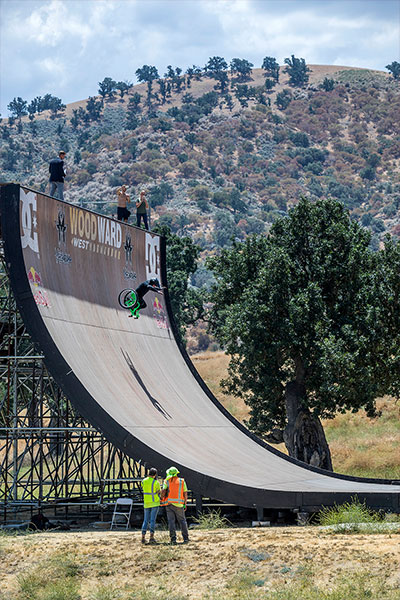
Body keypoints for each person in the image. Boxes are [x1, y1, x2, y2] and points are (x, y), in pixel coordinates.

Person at [160, 466, 189, 545]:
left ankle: (173, 539)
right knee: (182, 521)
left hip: (169, 504)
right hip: (179, 504)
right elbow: (185, 493)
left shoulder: (167, 481)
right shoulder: (182, 481)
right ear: (177, 473)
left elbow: (163, 491)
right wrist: (185, 504)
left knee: (171, 522)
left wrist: (161, 498)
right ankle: (186, 538)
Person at [141, 467, 161, 544]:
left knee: (145, 520)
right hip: (154, 503)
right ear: (155, 474)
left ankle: (143, 537)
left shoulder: (143, 481)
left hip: (146, 503)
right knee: (152, 520)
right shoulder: (156, 482)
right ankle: (151, 537)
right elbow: (158, 492)